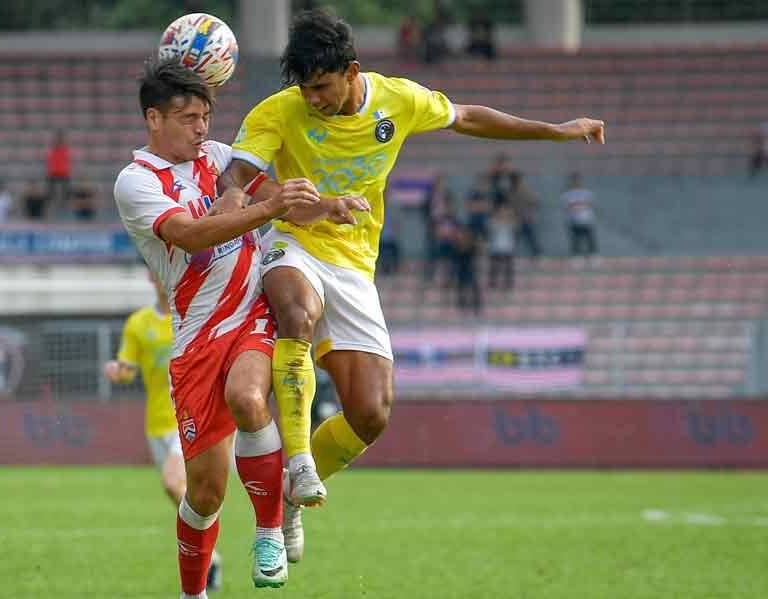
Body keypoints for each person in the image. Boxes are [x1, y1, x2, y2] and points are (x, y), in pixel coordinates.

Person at [218, 8, 604, 561]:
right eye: (305, 90)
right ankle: (299, 461)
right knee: (294, 313)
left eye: (323, 87)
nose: (314, 100)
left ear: (351, 71)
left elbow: (468, 116)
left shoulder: (397, 100)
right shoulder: (278, 112)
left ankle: (288, 498)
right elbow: (238, 175)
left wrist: (555, 130)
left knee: (371, 414)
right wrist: (236, 197)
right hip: (292, 243)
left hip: (354, 263)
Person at [112, 59, 321, 599]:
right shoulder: (136, 181)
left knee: (251, 398)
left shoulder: (224, 157)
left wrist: (326, 205)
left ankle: (267, 533)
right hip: (196, 339)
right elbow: (193, 236)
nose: (201, 129)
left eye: (206, 117)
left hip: (252, 312)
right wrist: (268, 207)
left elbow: (279, 203)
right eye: (187, 118)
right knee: (203, 495)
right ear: (154, 119)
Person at [103, 273, 222, 592]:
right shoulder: (139, 324)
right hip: (157, 422)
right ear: (151, 278)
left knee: (173, 483)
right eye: (158, 274)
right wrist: (118, 372)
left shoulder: (196, 314)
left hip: (190, 416)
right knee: (181, 491)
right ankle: (209, 554)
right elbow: (128, 369)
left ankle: (206, 550)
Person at [562, 172, 599, 263]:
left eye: (577, 180)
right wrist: (581, 205)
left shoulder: (587, 193)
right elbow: (569, 206)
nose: (576, 182)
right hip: (573, 220)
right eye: (574, 180)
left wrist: (578, 205)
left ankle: (593, 256)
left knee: (590, 239)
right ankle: (576, 256)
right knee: (575, 240)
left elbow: (591, 204)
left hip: (587, 220)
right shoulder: (567, 194)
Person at [488, 199, 518, 290]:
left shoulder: (511, 221)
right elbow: (491, 227)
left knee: (508, 267)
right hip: (496, 247)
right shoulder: (494, 220)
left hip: (508, 247)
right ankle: (492, 283)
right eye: (501, 210)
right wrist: (500, 220)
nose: (503, 212)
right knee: (494, 267)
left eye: (505, 210)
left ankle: (508, 284)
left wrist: (509, 217)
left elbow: (515, 226)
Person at [46, 130, 72, 215]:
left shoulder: (64, 150)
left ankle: (64, 205)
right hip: (54, 173)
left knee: (66, 191)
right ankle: (52, 205)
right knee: (51, 192)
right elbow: (50, 162)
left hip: (63, 173)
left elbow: (66, 162)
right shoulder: (53, 150)